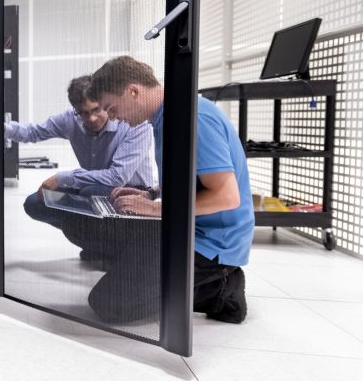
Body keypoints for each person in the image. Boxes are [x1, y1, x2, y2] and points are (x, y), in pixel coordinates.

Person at [86, 56, 253, 324]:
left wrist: (156, 209)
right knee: (110, 238)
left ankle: (220, 286)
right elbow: (187, 175)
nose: (112, 117)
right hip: (185, 227)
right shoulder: (163, 117)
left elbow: (226, 196)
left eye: (111, 107)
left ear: (133, 91)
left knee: (109, 303)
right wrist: (150, 193)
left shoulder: (192, 117)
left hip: (210, 243)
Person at [4, 74, 157, 260]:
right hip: (92, 186)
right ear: (75, 110)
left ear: (106, 103)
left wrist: (63, 178)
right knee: (36, 203)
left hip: (133, 190)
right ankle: (95, 242)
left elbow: (117, 177)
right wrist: (3, 127)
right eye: (83, 113)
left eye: (96, 109)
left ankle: (110, 246)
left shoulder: (133, 124)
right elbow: (33, 132)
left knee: (89, 193)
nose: (91, 118)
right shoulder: (70, 119)